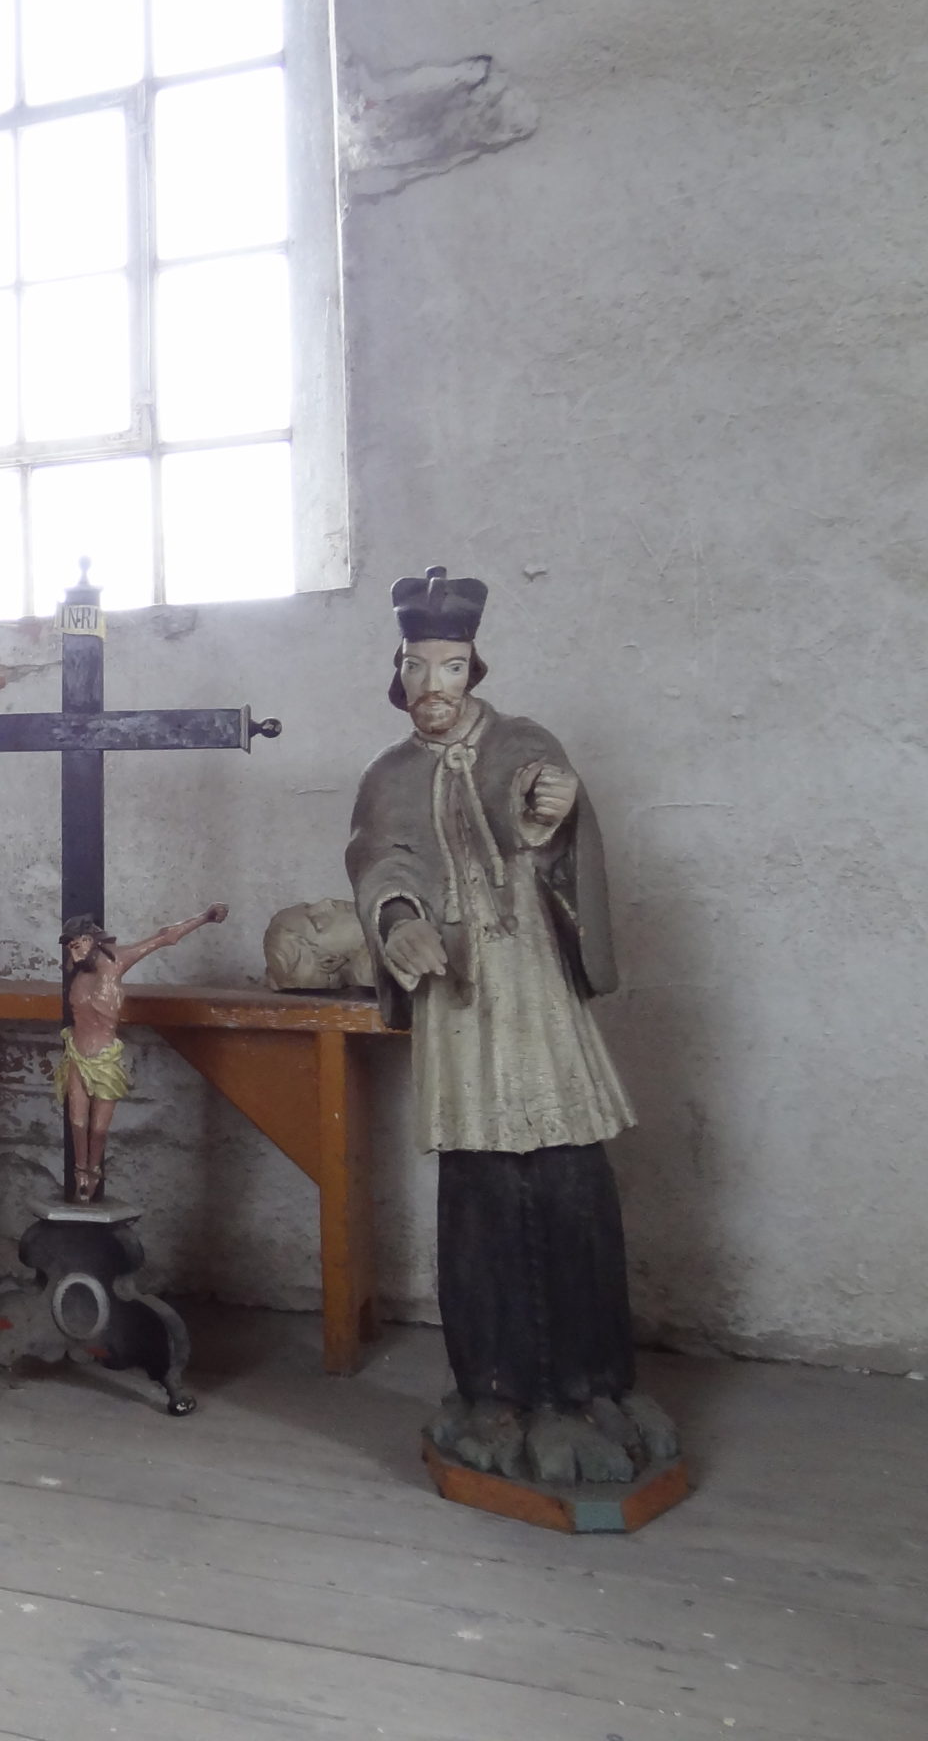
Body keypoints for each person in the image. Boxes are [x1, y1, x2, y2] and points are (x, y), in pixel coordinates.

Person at [346, 567, 677, 1484]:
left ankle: (597, 1384)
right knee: (480, 1191)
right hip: (459, 1002)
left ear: (474, 668)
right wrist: (398, 921)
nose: (433, 687)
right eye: (416, 667)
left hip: (532, 991)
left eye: (450, 667)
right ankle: (494, 1389)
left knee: (571, 1179)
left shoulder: (526, 744)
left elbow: (555, 820)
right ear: (398, 672)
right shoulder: (387, 776)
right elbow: (380, 857)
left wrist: (559, 816)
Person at [57, 903, 227, 1203]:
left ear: (90, 940)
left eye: (77, 945)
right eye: (70, 947)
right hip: (77, 1053)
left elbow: (163, 937)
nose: (74, 952)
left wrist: (204, 917)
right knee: (77, 1121)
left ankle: (93, 1169)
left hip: (104, 1057)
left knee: (98, 1128)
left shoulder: (116, 962)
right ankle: (80, 1170)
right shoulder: (75, 969)